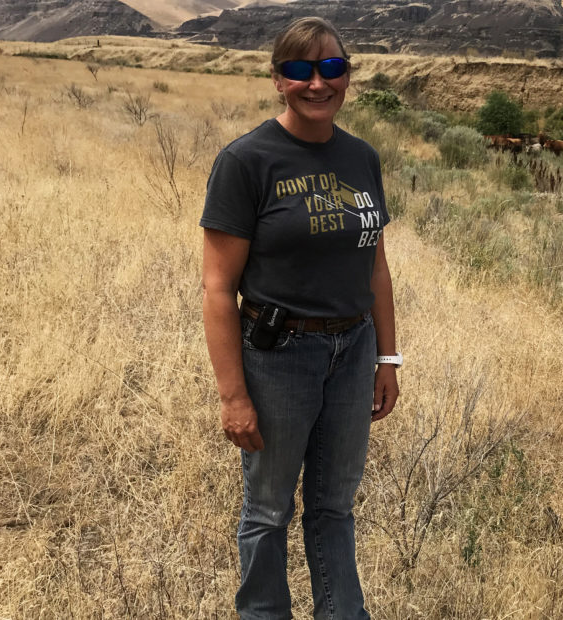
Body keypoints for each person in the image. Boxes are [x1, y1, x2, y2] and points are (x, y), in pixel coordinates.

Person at [199, 16, 399, 619]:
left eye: (332, 68)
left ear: (347, 76)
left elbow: (377, 270)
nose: (318, 83)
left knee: (335, 507)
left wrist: (387, 356)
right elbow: (216, 288)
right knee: (268, 509)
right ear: (277, 79)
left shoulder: (361, 157)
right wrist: (233, 396)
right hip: (280, 356)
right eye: (300, 70)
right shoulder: (246, 161)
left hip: (353, 351)